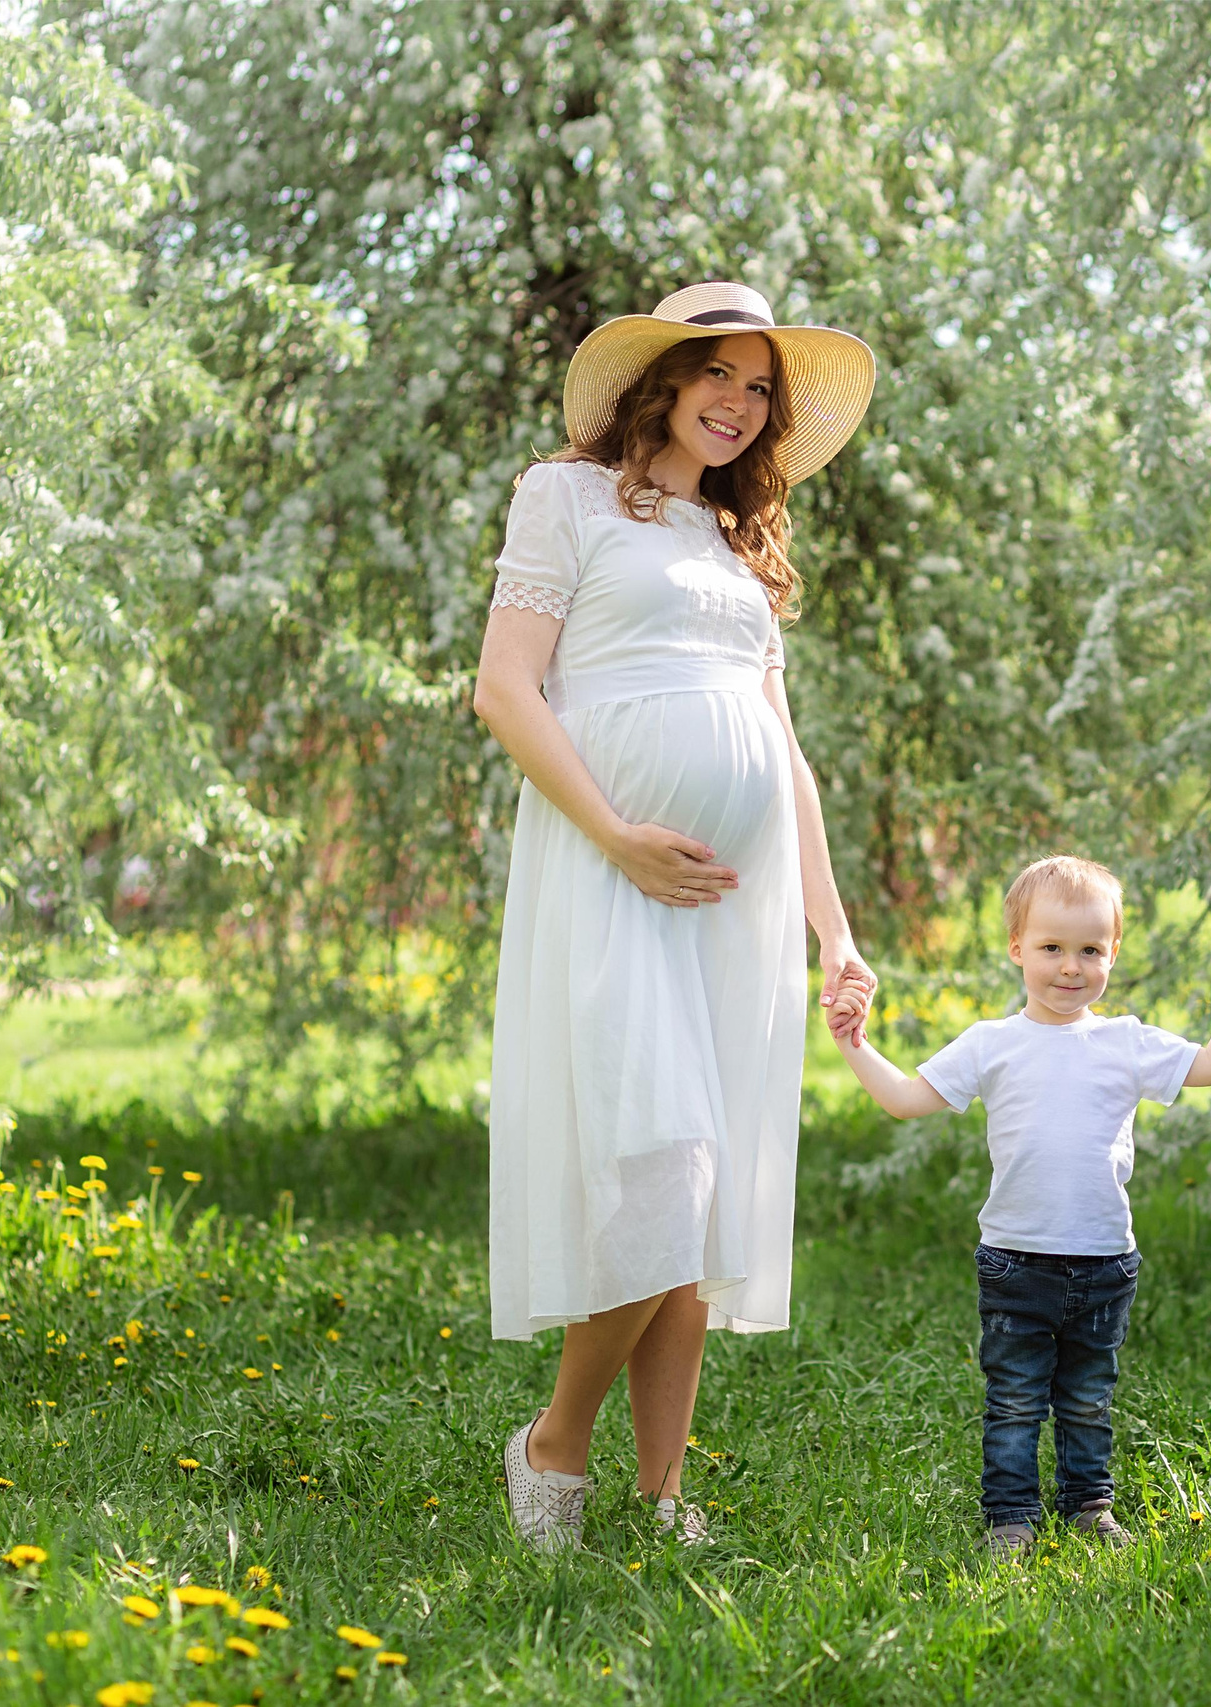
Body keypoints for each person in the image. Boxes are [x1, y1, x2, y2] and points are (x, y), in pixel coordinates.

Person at [473, 281, 879, 1551]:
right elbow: (504, 690)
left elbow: (780, 746)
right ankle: (551, 1442)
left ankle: (659, 1497)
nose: (738, 403)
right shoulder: (568, 499)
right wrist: (617, 835)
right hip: (609, 876)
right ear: (661, 379)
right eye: (719, 374)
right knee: (664, 1169)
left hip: (734, 906)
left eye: (760, 389)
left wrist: (835, 929)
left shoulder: (732, 540)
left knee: (703, 1207)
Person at [827, 856, 1211, 1557]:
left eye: (1090, 950)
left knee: (1088, 1397)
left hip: (1103, 1261)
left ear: (1113, 954)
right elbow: (904, 1099)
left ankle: (1087, 1504)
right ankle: (1010, 1514)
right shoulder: (993, 1043)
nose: (1071, 967)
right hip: (1015, 1260)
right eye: (1051, 948)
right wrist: (853, 1042)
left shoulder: (1125, 1041)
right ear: (1017, 949)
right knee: (1014, 1397)